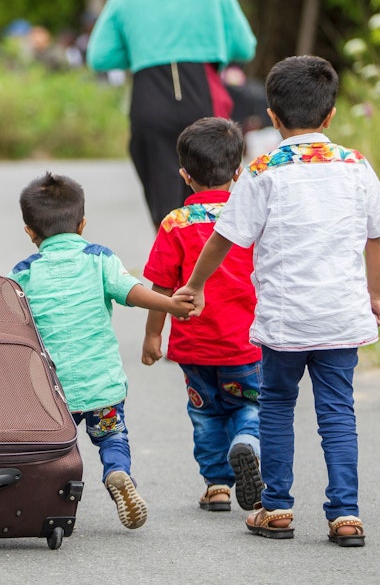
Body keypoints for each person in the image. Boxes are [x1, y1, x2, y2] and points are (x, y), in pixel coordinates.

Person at [177, 56, 380, 547]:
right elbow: (376, 237)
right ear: (331, 114)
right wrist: (373, 295)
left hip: (285, 321)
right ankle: (346, 515)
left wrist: (197, 284)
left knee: (276, 406)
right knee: (337, 410)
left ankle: (276, 508)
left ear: (272, 117)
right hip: (340, 315)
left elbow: (224, 238)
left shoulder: (262, 170)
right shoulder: (356, 166)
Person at [9, 172, 193, 530]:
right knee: (112, 436)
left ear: (30, 231)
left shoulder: (24, 274)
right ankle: (118, 472)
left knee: (55, 449)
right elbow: (132, 292)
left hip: (50, 389)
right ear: (82, 224)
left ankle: (54, 504)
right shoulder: (99, 258)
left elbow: (5, 322)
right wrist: (170, 304)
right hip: (100, 385)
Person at [142, 117, 263, 513]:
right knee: (250, 405)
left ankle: (216, 486)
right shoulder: (250, 220)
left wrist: (153, 336)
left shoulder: (175, 223)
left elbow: (160, 287)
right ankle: (247, 441)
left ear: (184, 175)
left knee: (205, 412)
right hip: (247, 343)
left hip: (194, 345)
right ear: (238, 172)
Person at [86, 0, 256, 228]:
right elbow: (245, 46)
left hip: (149, 94)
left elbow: (99, 56)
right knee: (210, 192)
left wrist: (142, 52)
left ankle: (170, 261)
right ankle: (208, 262)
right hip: (203, 91)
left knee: (163, 198)